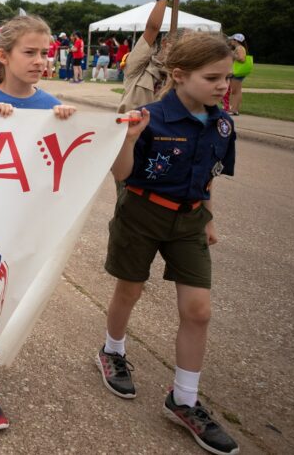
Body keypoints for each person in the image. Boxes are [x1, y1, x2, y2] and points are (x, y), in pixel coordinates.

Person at [98, 32, 239, 455]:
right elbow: (122, 175)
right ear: (178, 76)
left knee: (199, 311)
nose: (222, 86)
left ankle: (184, 398)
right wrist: (127, 139)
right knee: (130, 289)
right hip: (142, 213)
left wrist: (208, 215)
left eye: (227, 78)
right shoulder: (149, 118)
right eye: (212, 78)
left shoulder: (223, 123)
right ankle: (112, 349)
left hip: (191, 219)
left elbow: (209, 171)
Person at [0, 15, 76, 429]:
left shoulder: (51, 107)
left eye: (45, 53)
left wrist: (69, 123)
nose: (40, 61)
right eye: (30, 52)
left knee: (6, 298)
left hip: (27, 222)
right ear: (4, 56)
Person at [118, 0, 185, 113]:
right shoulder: (138, 67)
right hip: (131, 131)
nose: (178, 52)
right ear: (164, 43)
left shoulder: (180, 78)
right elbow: (153, 28)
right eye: (176, 47)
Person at [227, 33, 252, 115]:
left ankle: (234, 109)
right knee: (237, 91)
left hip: (237, 72)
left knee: (235, 92)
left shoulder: (239, 48)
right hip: (238, 72)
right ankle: (235, 109)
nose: (230, 41)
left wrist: (232, 54)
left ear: (236, 40)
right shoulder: (239, 48)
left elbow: (242, 59)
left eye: (232, 40)